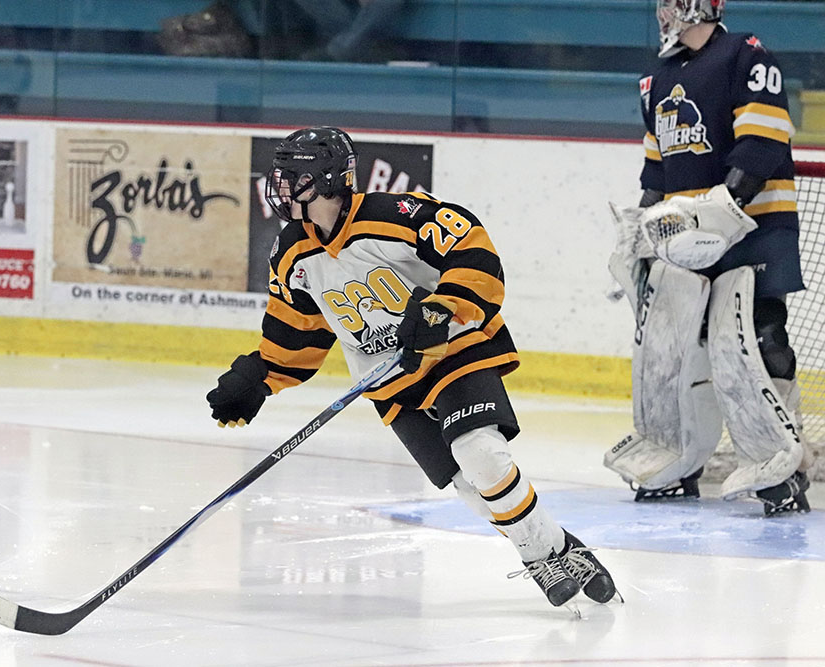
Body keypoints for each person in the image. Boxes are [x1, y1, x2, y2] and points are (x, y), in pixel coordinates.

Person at [206, 127, 618, 609]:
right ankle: (559, 547)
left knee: (481, 454)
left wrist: (442, 308)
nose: (280, 187)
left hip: (451, 351)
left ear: (328, 178)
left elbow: (473, 248)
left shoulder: (393, 216)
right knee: (468, 486)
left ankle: (535, 556)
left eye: (294, 177)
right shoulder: (290, 253)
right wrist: (260, 375)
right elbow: (298, 333)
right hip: (391, 383)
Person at [604, 0, 816, 515]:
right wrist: (640, 229)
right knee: (681, 348)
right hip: (686, 238)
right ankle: (680, 460)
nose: (663, 13)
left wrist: (724, 207)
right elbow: (658, 171)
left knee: (759, 338)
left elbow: (763, 142)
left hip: (755, 226)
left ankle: (783, 465)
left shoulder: (746, 55)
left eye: (672, 4)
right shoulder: (656, 80)